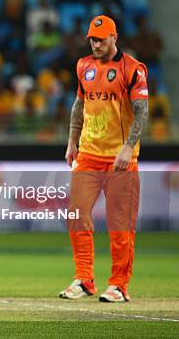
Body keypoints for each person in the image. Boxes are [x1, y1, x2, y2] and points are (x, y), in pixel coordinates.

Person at [60, 15, 148, 302]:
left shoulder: (133, 69)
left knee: (120, 224)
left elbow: (142, 112)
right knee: (77, 216)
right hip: (87, 155)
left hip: (120, 160)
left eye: (101, 39)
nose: (96, 44)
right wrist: (72, 141)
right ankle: (84, 279)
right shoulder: (83, 65)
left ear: (114, 38)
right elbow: (78, 104)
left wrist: (127, 147)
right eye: (92, 40)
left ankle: (119, 285)